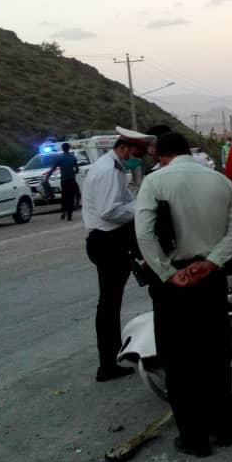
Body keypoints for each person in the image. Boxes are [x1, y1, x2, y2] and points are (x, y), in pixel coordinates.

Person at [134, 131, 232, 457]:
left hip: (173, 286)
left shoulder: (154, 183)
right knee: (215, 354)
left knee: (179, 362)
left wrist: (169, 273)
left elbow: (143, 234)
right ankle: (224, 428)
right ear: (188, 151)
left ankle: (194, 439)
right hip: (210, 281)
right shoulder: (220, 181)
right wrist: (211, 263)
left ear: (162, 156)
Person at [82, 128, 154, 382]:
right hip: (107, 242)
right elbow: (109, 211)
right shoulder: (108, 171)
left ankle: (111, 358)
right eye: (136, 153)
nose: (137, 159)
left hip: (109, 240)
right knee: (109, 304)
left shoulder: (113, 167)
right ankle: (108, 363)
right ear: (124, 148)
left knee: (111, 303)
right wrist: (140, 210)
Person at [44, 142, 80, 221]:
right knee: (72, 196)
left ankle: (64, 211)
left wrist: (47, 177)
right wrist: (74, 172)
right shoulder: (73, 157)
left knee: (65, 196)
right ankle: (69, 215)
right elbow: (77, 169)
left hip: (64, 180)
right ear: (69, 148)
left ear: (62, 149)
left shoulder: (59, 158)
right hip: (72, 180)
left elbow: (53, 168)